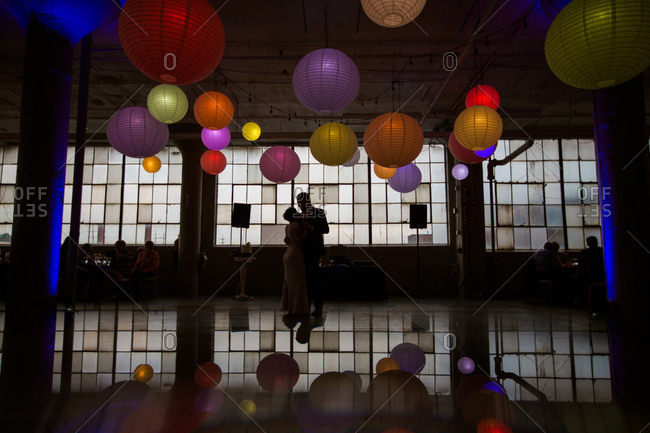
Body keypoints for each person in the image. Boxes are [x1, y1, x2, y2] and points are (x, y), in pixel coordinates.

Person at [295, 192, 329, 316]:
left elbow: (326, 229)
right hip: (301, 251)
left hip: (314, 250)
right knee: (305, 280)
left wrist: (311, 228)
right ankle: (306, 306)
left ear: (307, 202)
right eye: (298, 203)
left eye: (301, 202)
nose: (299, 205)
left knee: (314, 280)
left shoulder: (319, 213)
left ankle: (318, 307)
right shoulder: (299, 216)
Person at [281, 207, 310, 315]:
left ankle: (289, 306)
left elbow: (287, 240)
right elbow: (299, 240)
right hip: (296, 254)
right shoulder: (296, 226)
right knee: (298, 282)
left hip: (288, 253)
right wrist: (307, 229)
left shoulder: (287, 226)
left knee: (289, 281)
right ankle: (297, 308)